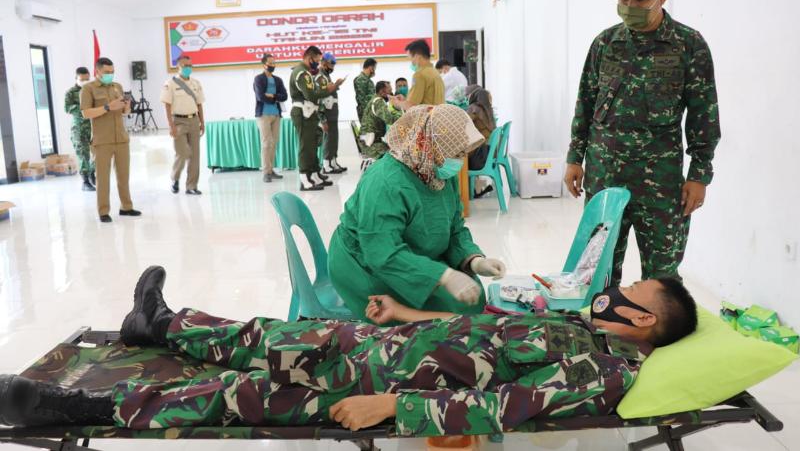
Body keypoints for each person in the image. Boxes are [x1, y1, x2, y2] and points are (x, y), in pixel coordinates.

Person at [0, 265, 698, 434]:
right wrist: (404, 310)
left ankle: (78, 405)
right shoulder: (578, 321)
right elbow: (480, 324)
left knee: (227, 397)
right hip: (377, 342)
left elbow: (504, 404)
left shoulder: (600, 368)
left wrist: (393, 404)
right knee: (261, 336)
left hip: (373, 380)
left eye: (628, 293)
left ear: (646, 325)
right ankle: (158, 325)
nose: (612, 292)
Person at [564, 0, 721, 286]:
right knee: (596, 274)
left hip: (661, 185)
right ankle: (604, 334)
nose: (630, 4)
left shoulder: (689, 45)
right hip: (604, 176)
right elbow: (585, 104)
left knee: (661, 280)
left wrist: (699, 175)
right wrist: (574, 158)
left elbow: (704, 115)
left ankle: (657, 336)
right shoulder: (605, 44)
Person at [329, 104, 499, 318]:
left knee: (473, 297)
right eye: (456, 153)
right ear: (429, 145)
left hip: (413, 252)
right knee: (452, 313)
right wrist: (443, 276)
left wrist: (475, 260)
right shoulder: (386, 182)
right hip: (365, 262)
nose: (460, 161)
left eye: (463, 153)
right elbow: (381, 252)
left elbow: (455, 229)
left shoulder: (439, 174)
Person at [80, 57, 140, 223]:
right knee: (103, 178)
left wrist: (126, 107)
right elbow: (85, 113)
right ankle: (103, 211)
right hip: (102, 140)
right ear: (97, 71)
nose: (110, 75)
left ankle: (126, 207)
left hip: (121, 138)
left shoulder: (117, 87)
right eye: (107, 72)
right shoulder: (88, 89)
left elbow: (123, 113)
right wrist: (107, 107)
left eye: (112, 72)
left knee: (124, 176)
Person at [289, 45, 342, 191]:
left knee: (312, 147)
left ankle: (313, 175)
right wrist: (328, 90)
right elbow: (310, 95)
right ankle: (304, 178)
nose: (318, 63)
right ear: (309, 57)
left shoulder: (306, 72)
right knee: (306, 147)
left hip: (310, 112)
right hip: (302, 112)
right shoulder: (301, 73)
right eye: (317, 60)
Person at [161, 55, 206, 195]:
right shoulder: (171, 84)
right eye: (185, 65)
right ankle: (175, 178)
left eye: (190, 65)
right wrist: (170, 125)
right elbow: (167, 106)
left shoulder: (196, 83)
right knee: (183, 152)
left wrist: (202, 122)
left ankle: (191, 186)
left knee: (195, 155)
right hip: (178, 121)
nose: (188, 68)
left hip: (193, 120)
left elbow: (199, 104)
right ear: (178, 67)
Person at [253, 53, 288, 183]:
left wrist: (272, 96)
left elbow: (284, 96)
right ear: (264, 65)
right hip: (263, 115)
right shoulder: (258, 79)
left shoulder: (278, 80)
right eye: (270, 63)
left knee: (274, 143)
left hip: (276, 114)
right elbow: (260, 97)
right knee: (266, 143)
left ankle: (271, 170)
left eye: (274, 63)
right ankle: (266, 172)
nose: (273, 65)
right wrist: (275, 96)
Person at [64, 66, 95, 191]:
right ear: (76, 78)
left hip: (94, 126)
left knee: (98, 153)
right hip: (79, 128)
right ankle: (85, 181)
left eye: (87, 79)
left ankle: (92, 173)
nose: (85, 82)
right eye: (82, 79)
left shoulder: (92, 90)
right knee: (83, 155)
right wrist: (83, 108)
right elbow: (67, 108)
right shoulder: (70, 92)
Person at [317, 51, 347, 174]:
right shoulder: (320, 77)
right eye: (331, 64)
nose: (333, 67)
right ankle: (326, 165)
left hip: (333, 113)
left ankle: (333, 162)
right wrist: (322, 119)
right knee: (328, 139)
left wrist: (336, 85)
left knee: (334, 138)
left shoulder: (326, 77)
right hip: (327, 113)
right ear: (324, 63)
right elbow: (320, 98)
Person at [360, 80, 403, 160]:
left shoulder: (375, 99)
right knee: (395, 155)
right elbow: (389, 119)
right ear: (382, 92)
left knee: (394, 150)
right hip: (370, 145)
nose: (392, 94)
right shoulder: (378, 102)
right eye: (390, 91)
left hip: (370, 142)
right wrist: (404, 115)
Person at [466, 86, 496, 197]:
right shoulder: (489, 111)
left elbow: (464, 122)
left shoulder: (474, 108)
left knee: (460, 157)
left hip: (480, 156)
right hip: (489, 153)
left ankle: (465, 191)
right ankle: (477, 187)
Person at [398, 40, 444, 110]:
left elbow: (411, 106)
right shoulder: (435, 72)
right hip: (436, 118)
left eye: (411, 58)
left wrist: (396, 103)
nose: (411, 62)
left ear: (417, 56)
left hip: (425, 118)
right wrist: (405, 100)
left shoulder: (419, 75)